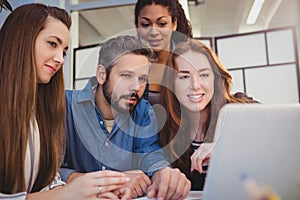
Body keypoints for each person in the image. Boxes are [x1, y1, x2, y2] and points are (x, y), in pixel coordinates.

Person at [0, 3, 131, 200]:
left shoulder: (39, 112)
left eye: (64, 51)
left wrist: (93, 190)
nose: (61, 59)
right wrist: (66, 193)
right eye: (53, 44)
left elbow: (46, 185)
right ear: (22, 39)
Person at [60, 35, 191, 199]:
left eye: (142, 78)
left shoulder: (143, 110)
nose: (136, 87)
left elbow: (150, 153)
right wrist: (109, 183)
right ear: (102, 75)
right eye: (126, 76)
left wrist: (162, 173)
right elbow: (49, 171)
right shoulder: (64, 105)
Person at [159, 38, 258, 190]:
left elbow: (283, 143)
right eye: (184, 77)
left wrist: (225, 148)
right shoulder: (164, 129)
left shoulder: (241, 109)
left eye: (204, 75)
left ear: (215, 78)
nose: (195, 85)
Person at [134, 0, 193, 105]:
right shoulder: (129, 65)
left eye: (162, 24)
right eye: (146, 24)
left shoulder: (190, 63)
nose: (154, 32)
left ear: (174, 24)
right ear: (137, 26)